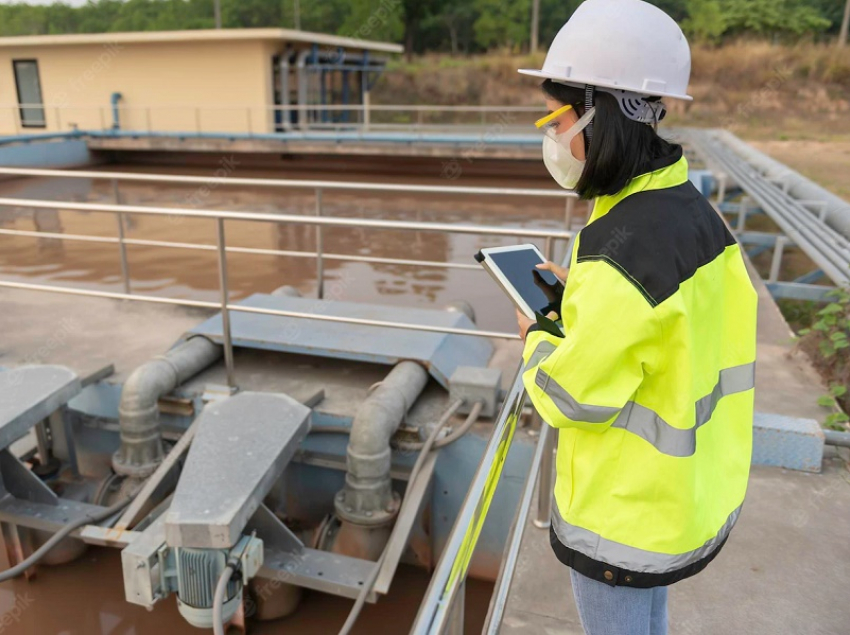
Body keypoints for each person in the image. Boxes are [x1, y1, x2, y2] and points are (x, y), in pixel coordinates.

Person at [514, 1, 758, 634]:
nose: (553, 135)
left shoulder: (618, 249)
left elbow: (571, 394)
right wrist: (586, 298)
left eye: (557, 117)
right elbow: (671, 326)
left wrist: (538, 335)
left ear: (601, 116)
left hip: (624, 517)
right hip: (686, 496)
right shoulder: (691, 210)